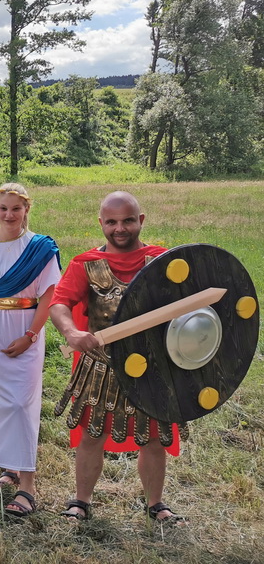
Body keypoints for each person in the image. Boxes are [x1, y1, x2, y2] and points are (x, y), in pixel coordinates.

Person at [49, 191, 186, 524]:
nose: (120, 228)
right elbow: (59, 303)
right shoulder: (86, 264)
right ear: (101, 223)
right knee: (92, 434)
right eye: (111, 222)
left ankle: (155, 503)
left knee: (153, 438)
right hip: (101, 367)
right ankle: (81, 501)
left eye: (127, 220)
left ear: (141, 220)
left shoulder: (163, 262)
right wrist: (71, 332)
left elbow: (191, 304)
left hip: (152, 367)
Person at [0, 183, 60, 518]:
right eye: (3, 208)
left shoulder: (39, 247)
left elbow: (48, 295)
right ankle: (7, 468)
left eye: (16, 209)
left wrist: (30, 335)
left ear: (26, 210)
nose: (9, 215)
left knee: (22, 405)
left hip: (23, 330)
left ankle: (28, 485)